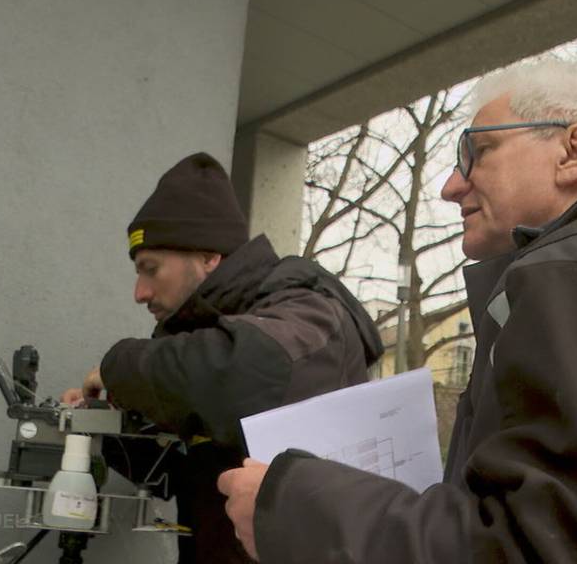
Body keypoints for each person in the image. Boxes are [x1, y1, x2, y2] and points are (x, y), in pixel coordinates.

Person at [218, 60, 577, 563]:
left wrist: (291, 504)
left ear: (573, 150)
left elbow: (543, 547)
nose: (452, 184)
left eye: (478, 150)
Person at [62, 152, 383, 563]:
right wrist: (102, 422)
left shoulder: (308, 309)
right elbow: (182, 469)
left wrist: (119, 364)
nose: (139, 292)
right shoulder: (206, 337)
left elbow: (244, 376)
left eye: (151, 269)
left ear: (209, 257)